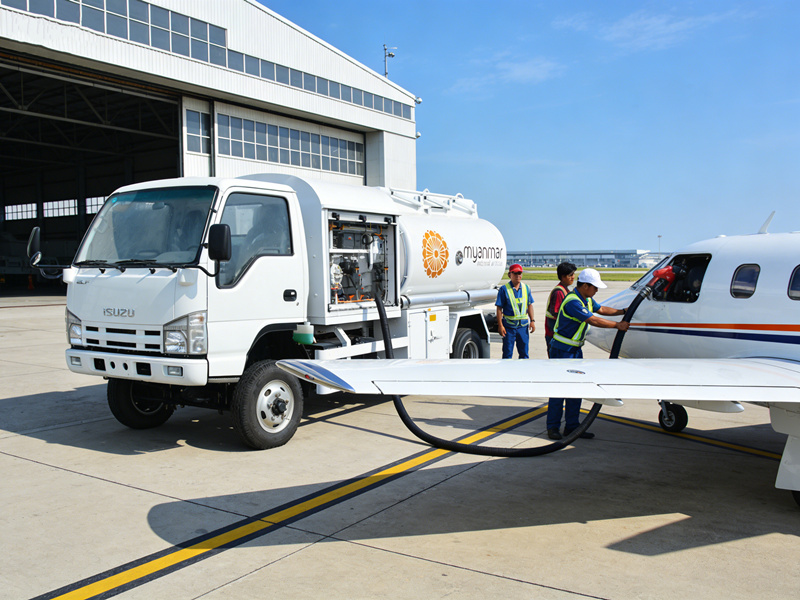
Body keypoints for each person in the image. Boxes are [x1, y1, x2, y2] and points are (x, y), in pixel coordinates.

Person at [546, 268, 629, 440]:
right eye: (595, 287)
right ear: (584, 286)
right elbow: (593, 320)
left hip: (575, 351)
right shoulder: (573, 302)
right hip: (562, 351)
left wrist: (623, 311)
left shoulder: (587, 299)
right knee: (559, 389)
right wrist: (617, 326)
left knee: (576, 389)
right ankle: (553, 427)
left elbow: (602, 310)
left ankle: (572, 427)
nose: (596, 290)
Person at [496, 264, 535, 359]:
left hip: (523, 327)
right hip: (509, 327)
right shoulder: (504, 289)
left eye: (520, 273)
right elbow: (499, 309)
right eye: (515, 273)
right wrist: (500, 325)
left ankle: (523, 372)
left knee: (524, 354)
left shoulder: (526, 288)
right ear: (510, 275)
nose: (518, 275)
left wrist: (532, 321)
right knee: (507, 354)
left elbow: (530, 305)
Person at [544, 262, 577, 352]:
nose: (573, 277)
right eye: (570, 275)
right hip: (554, 336)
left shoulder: (566, 290)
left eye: (573, 274)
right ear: (563, 277)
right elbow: (557, 313)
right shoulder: (559, 292)